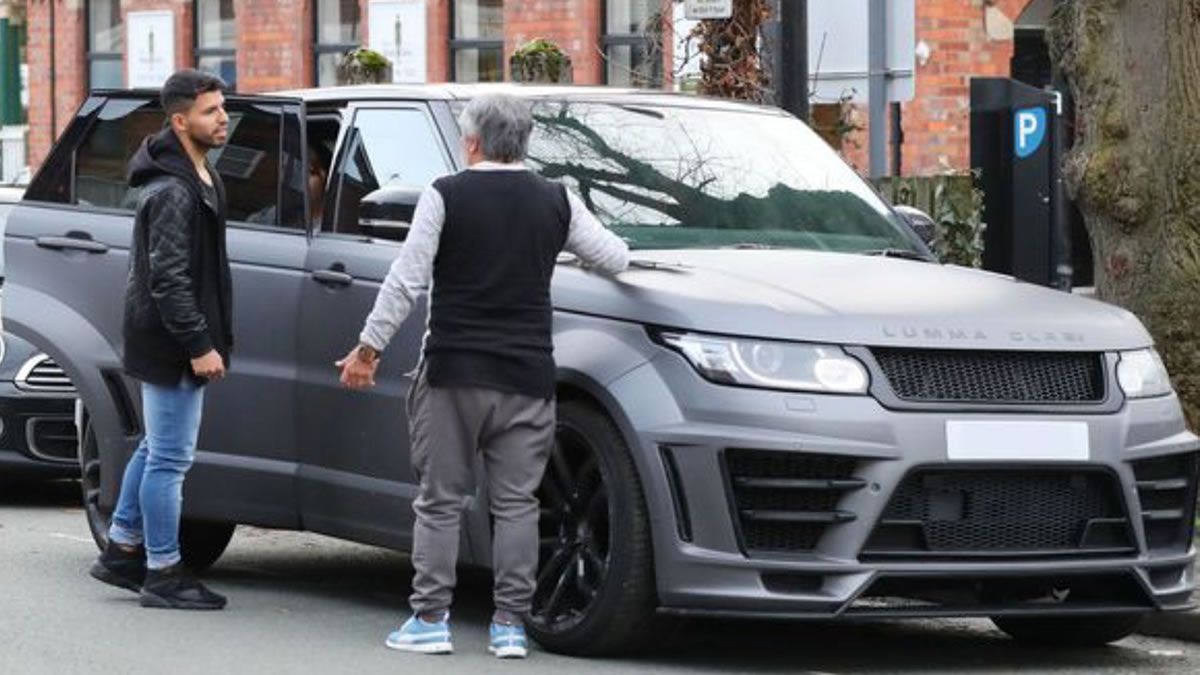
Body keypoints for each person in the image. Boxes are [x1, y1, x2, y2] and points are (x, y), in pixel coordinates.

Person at [337, 93, 629, 658]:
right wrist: (562, 254)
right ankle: (510, 627)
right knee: (516, 503)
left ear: (471, 140)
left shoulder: (445, 195)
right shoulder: (557, 200)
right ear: (524, 141)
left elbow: (406, 280)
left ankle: (430, 619)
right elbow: (614, 256)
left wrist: (367, 349)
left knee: (441, 500)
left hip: (454, 372)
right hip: (527, 375)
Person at [89, 69, 234, 611]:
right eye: (209, 111)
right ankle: (163, 571)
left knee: (155, 448)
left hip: (171, 335)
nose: (222, 118)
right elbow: (167, 279)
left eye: (221, 108)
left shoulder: (201, 176)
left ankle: (123, 549)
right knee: (171, 458)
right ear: (180, 121)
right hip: (171, 339)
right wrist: (200, 344)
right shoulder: (172, 189)